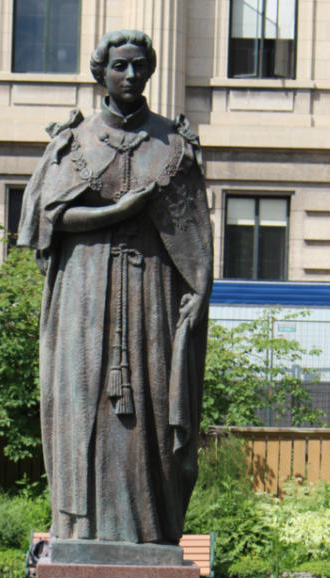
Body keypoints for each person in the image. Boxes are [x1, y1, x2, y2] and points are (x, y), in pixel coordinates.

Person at [18, 29, 213, 545]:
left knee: (146, 412)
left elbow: (195, 239)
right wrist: (117, 212)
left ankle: (148, 534)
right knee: (84, 406)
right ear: (100, 71)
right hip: (84, 293)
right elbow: (47, 220)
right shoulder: (75, 141)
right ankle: (82, 531)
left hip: (151, 295)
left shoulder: (173, 144)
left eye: (140, 66)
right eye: (121, 66)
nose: (131, 76)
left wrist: (196, 293)